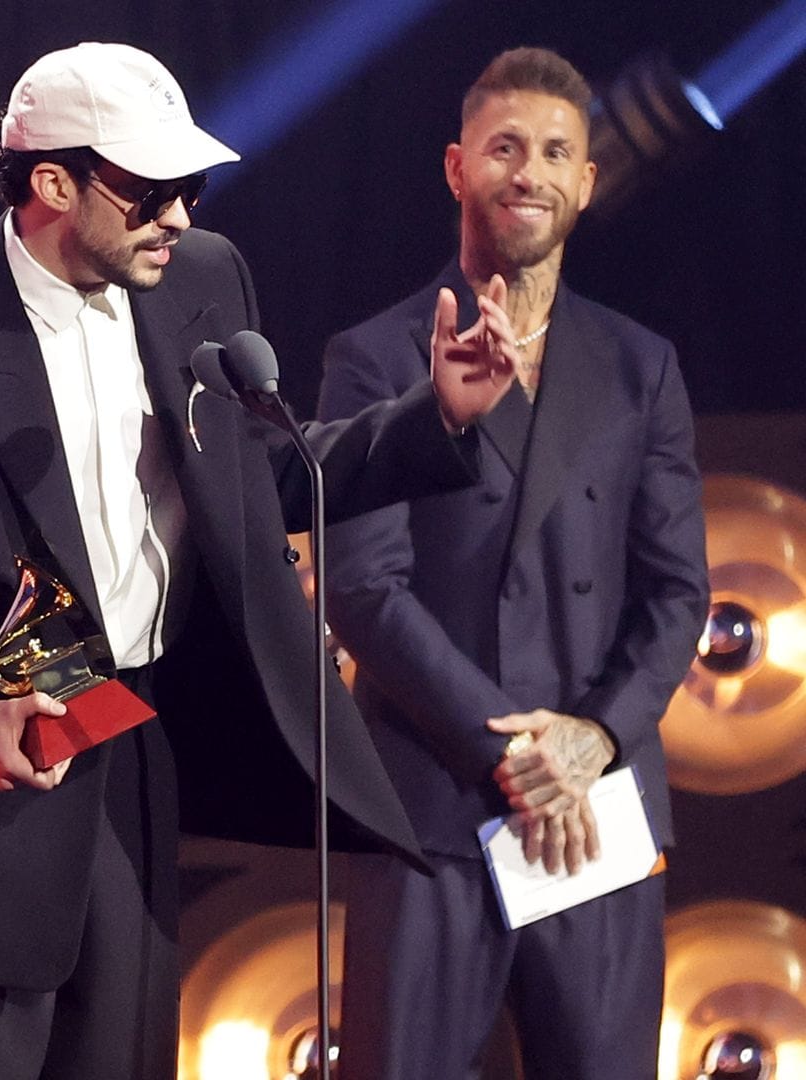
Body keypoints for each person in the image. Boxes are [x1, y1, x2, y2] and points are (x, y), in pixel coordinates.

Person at [0, 42, 515, 1080]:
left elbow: (264, 471)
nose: (181, 216)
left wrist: (432, 417)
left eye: (192, 188)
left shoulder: (199, 281)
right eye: (150, 191)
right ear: (51, 183)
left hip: (132, 752)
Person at [317, 46, 709, 1080]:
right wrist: (511, 754)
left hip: (598, 815)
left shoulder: (640, 366)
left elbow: (677, 593)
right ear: (458, 169)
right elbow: (363, 589)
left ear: (587, 181)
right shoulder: (374, 357)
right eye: (503, 148)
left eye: (553, 152)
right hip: (434, 808)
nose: (526, 172)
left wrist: (590, 737)